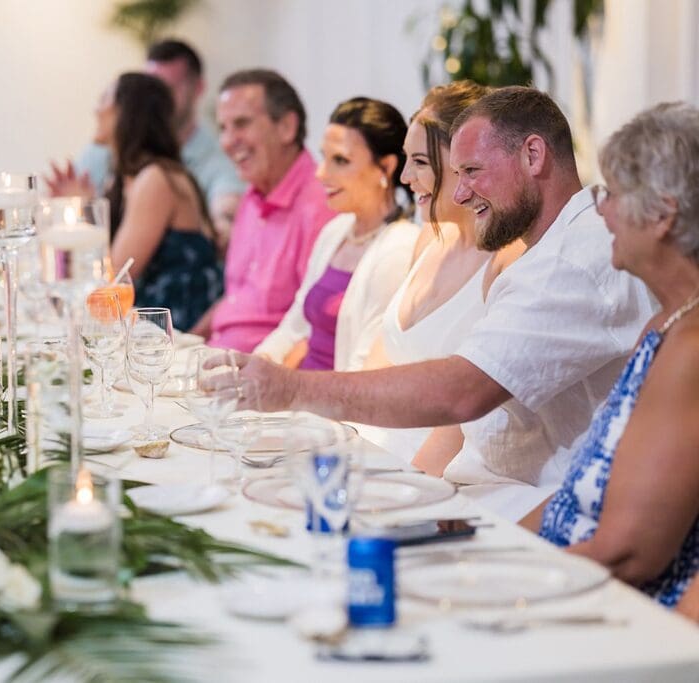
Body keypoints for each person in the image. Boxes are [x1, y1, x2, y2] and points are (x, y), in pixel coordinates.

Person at [217, 86, 654, 519]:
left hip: (513, 507)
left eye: (472, 170)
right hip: (468, 490)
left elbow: (463, 392)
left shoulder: (574, 257)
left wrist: (291, 390)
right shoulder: (546, 248)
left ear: (533, 155)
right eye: (457, 173)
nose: (460, 193)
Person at [521, 102, 699, 609]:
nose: (601, 210)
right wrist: (491, 550)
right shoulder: (668, 321)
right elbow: (581, 490)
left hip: (615, 610)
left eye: (613, 194)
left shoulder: (691, 346)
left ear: (662, 215)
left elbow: (629, 553)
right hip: (573, 574)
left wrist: (509, 588)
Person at [358, 81, 525, 471]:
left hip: (440, 467)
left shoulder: (509, 259)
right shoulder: (428, 240)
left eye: (419, 161)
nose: (404, 177)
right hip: (375, 443)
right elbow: (379, 366)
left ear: (466, 162)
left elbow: (463, 421)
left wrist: (409, 486)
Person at [253, 97, 420, 371]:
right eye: (324, 157)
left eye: (340, 160)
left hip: (332, 406)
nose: (321, 173)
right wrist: (258, 365)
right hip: (296, 394)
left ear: (387, 167)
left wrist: (292, 393)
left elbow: (367, 370)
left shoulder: (400, 247)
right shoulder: (336, 231)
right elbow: (294, 326)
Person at [50, 39, 243, 250]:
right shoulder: (102, 154)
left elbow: (115, 274)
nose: (96, 109)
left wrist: (222, 224)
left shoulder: (161, 176)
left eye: (165, 89)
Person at [197, 69, 337, 352]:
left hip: (261, 376)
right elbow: (235, 301)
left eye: (241, 124)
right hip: (217, 360)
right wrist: (179, 344)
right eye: (223, 128)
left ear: (287, 127)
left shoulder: (322, 206)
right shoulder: (252, 196)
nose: (226, 141)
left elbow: (314, 332)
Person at [95, 72, 221, 332]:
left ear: (127, 112)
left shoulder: (156, 179)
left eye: (104, 99)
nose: (96, 109)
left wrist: (82, 222)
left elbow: (115, 280)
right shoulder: (127, 179)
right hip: (146, 328)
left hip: (173, 333)